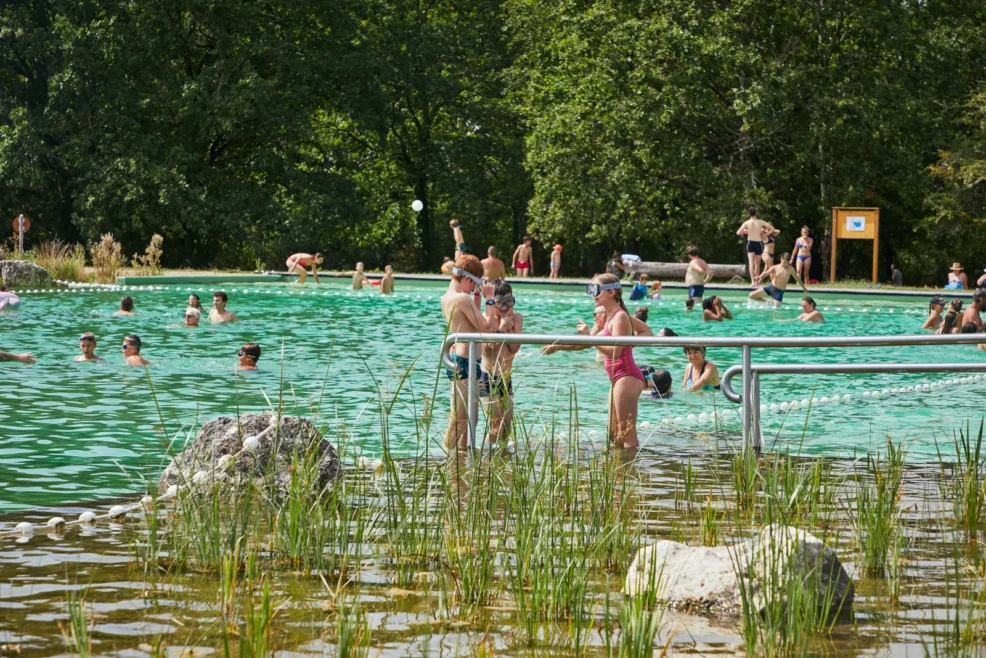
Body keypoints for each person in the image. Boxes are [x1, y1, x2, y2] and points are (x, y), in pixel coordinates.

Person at [440, 254, 499, 449]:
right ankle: (445, 462)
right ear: (466, 279)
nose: (475, 289)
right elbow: (488, 328)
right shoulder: (461, 297)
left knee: (468, 420)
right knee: (459, 420)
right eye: (474, 285)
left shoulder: (448, 297)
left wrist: (477, 299)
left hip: (465, 360)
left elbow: (469, 324)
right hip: (465, 363)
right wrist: (490, 297)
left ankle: (461, 460)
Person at [480, 280, 523, 443]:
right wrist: (502, 328)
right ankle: (485, 461)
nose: (505, 307)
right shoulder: (488, 319)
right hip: (487, 378)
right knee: (495, 425)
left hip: (506, 379)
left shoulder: (517, 318)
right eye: (500, 303)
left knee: (506, 427)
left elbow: (514, 348)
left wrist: (510, 325)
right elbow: (487, 349)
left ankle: (502, 459)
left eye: (509, 302)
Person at [737, 207, 766, 283]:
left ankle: (753, 281)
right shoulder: (760, 222)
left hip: (751, 243)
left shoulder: (747, 222)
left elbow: (738, 232)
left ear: (749, 214)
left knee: (751, 263)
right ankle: (756, 282)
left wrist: (745, 231)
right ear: (756, 213)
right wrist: (765, 235)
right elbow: (772, 228)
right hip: (759, 243)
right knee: (757, 264)